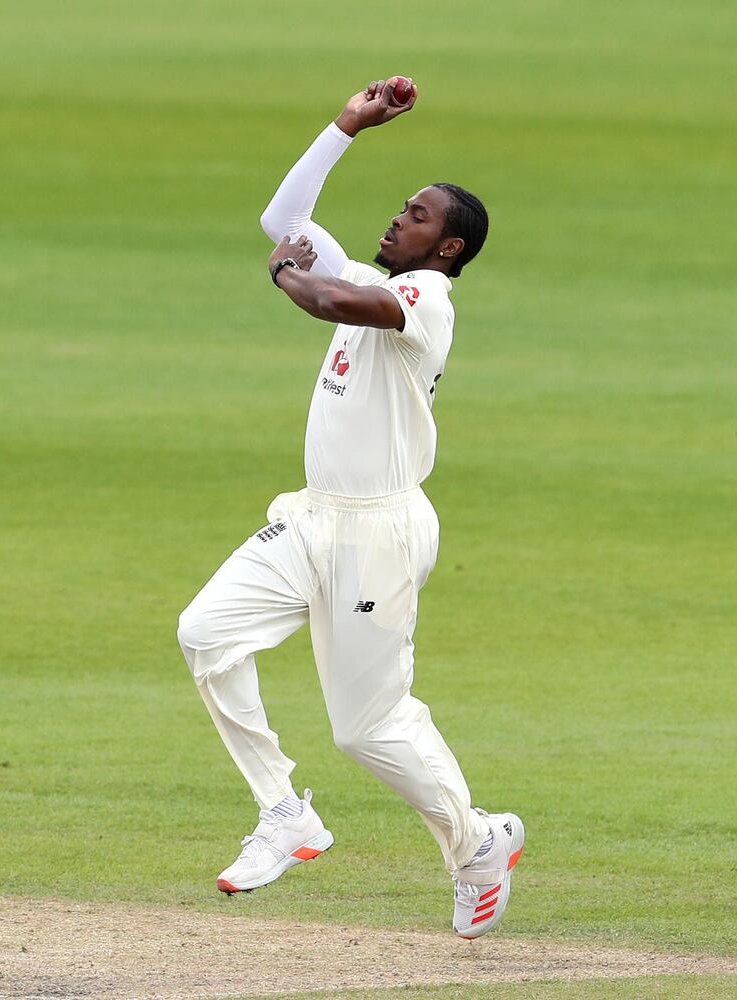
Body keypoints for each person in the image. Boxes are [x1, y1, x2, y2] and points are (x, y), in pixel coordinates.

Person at [177, 78, 524, 939]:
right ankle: (286, 813)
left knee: (367, 730)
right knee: (206, 634)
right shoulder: (379, 277)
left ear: (446, 249)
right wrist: (347, 126)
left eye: (416, 216)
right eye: (401, 207)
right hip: (310, 518)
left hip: (379, 536)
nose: (397, 220)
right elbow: (280, 219)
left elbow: (326, 295)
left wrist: (293, 277)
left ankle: (476, 839)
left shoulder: (425, 302)